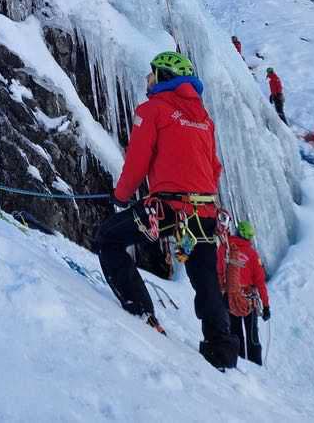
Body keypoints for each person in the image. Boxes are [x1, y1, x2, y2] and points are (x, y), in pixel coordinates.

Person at [95, 51, 239, 371]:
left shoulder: (153, 109)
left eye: (152, 74)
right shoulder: (203, 118)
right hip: (203, 211)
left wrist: (121, 196)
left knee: (108, 239)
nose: (148, 80)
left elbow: (137, 160)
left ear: (163, 77)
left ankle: (142, 312)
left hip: (168, 207)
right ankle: (222, 350)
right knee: (204, 277)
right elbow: (214, 167)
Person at [218, 220, 270, 366]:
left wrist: (221, 294)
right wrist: (266, 306)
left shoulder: (224, 248)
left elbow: (219, 273)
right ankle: (257, 368)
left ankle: (238, 365)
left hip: (229, 298)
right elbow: (260, 282)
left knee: (235, 334)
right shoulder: (252, 254)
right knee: (252, 337)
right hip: (248, 301)